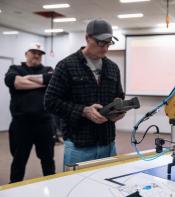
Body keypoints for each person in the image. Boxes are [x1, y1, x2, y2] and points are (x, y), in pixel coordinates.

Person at [44, 19, 125, 170]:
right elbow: (50, 102)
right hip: (79, 146)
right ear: (87, 38)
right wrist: (83, 111)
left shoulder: (113, 68)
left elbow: (119, 96)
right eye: (101, 43)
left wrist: (118, 111)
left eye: (108, 43)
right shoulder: (66, 66)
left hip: (108, 144)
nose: (105, 48)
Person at [4, 43, 55, 183]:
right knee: (19, 160)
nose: (37, 55)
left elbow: (52, 81)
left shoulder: (49, 69)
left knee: (48, 159)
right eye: (34, 52)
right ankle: (13, 189)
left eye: (40, 53)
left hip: (44, 124)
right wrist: (42, 82)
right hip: (21, 125)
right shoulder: (15, 68)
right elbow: (13, 82)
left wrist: (25, 78)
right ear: (26, 53)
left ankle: (54, 186)